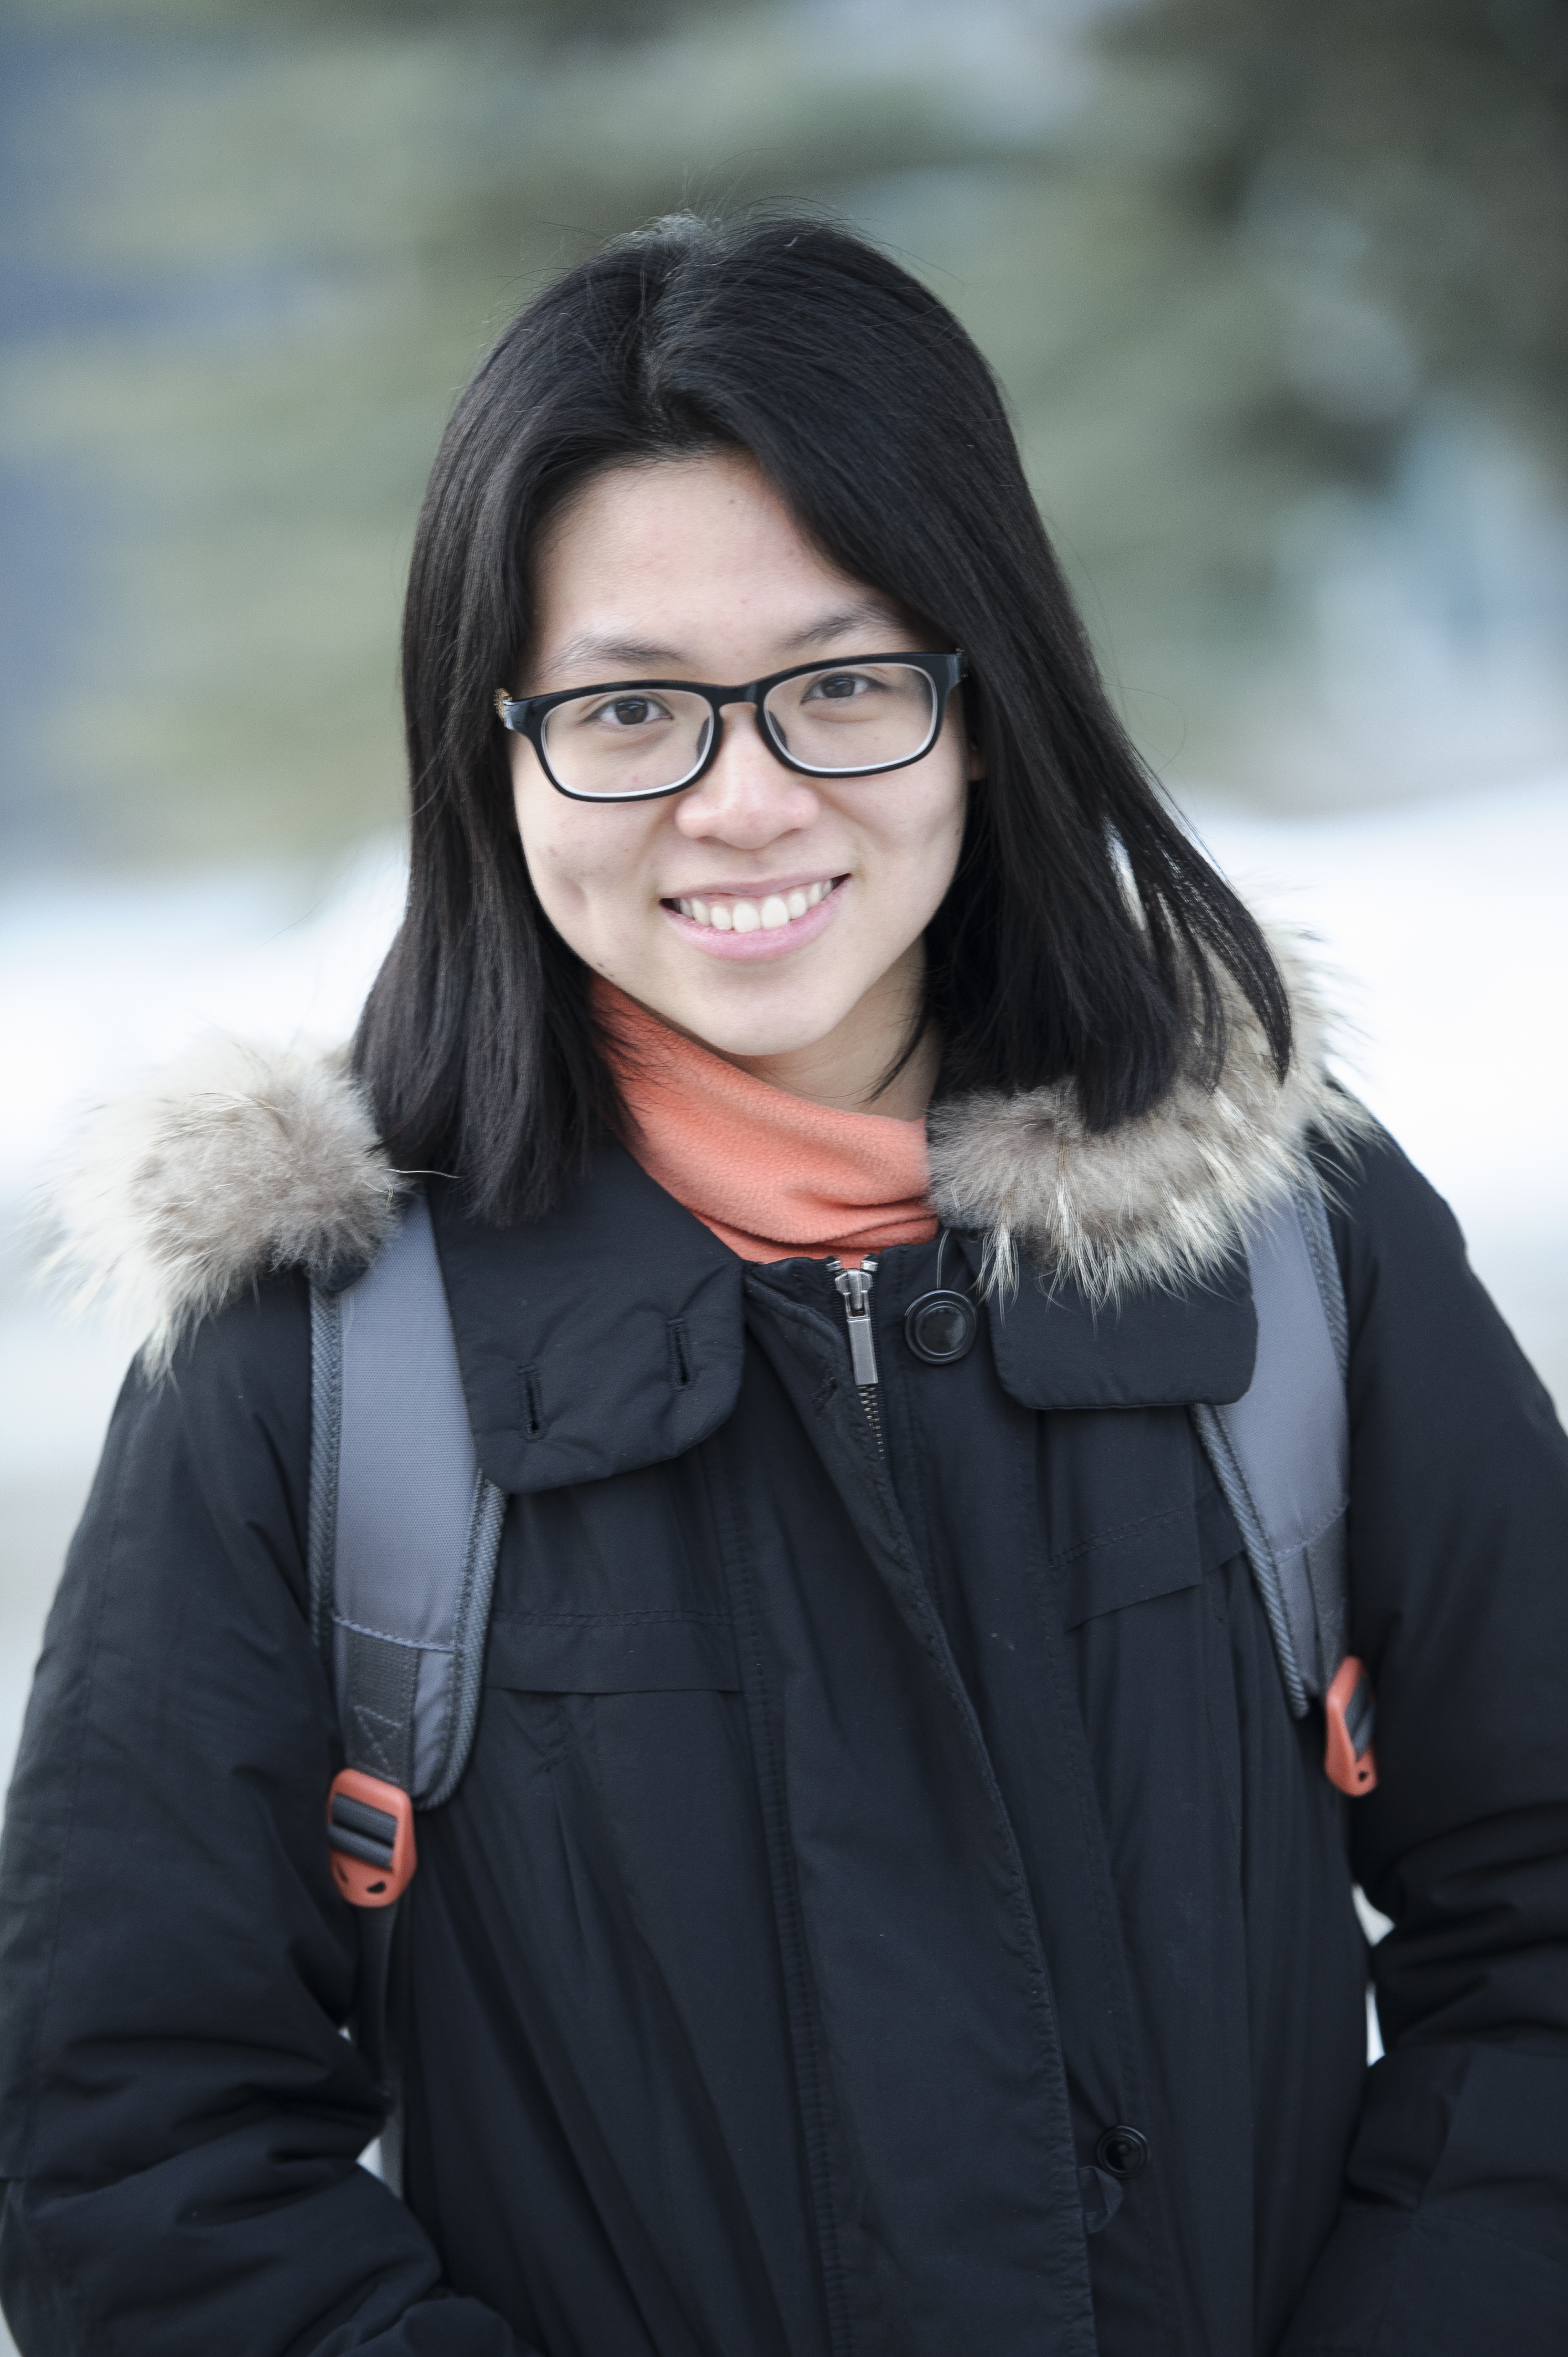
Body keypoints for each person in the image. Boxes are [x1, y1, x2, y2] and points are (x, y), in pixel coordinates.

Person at [1, 212, 1565, 2357]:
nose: (744, 802)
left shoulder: (1290, 1237)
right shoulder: (318, 1350)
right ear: (501, 750)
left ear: (986, 703)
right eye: (632, 706)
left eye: (840, 684)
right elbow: (135, 2141)